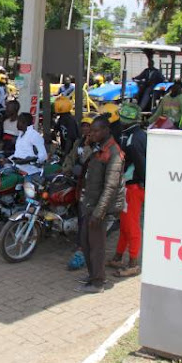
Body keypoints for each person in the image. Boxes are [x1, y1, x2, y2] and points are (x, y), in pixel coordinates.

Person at [75, 116, 125, 294]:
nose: (92, 133)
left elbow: (111, 187)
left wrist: (99, 212)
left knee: (96, 246)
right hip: (89, 203)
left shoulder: (114, 153)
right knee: (86, 242)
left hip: (98, 207)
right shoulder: (98, 148)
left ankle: (98, 282)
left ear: (106, 130)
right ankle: (93, 275)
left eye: (96, 131)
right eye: (91, 130)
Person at [108, 102, 147, 277]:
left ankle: (133, 263)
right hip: (129, 186)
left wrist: (140, 182)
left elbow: (140, 165)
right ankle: (118, 257)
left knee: (131, 225)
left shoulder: (133, 139)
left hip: (132, 187)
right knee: (124, 224)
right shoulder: (134, 135)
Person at [63, 115, 94, 271]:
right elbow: (71, 156)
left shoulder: (95, 144)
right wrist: (66, 168)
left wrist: (88, 145)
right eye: (83, 126)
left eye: (88, 126)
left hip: (88, 182)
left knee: (84, 215)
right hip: (77, 178)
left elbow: (91, 161)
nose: (85, 129)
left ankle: (82, 245)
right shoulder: (78, 142)